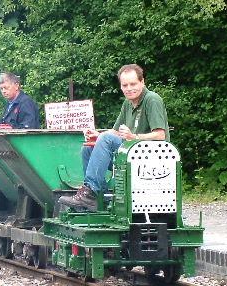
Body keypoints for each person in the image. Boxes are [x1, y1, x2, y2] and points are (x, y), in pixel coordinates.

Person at [59, 64, 169, 210]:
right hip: (131, 153)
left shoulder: (152, 100)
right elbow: (115, 132)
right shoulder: (127, 103)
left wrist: (133, 136)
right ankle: (99, 199)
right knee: (88, 148)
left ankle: (89, 193)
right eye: (125, 85)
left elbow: (160, 135)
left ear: (142, 82)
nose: (129, 88)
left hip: (151, 158)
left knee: (106, 139)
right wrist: (97, 135)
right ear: (121, 86)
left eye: (133, 84)